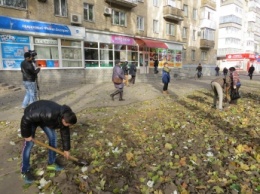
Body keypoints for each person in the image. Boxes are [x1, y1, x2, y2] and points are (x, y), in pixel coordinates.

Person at [20, 100, 77, 184]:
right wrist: (26, 135)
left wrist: (66, 149)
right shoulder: (50, 114)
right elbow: (26, 118)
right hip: (30, 116)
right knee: (29, 143)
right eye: (68, 124)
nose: (69, 126)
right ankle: (25, 171)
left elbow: (65, 133)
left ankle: (51, 163)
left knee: (53, 137)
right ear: (63, 120)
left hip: (42, 117)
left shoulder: (66, 115)